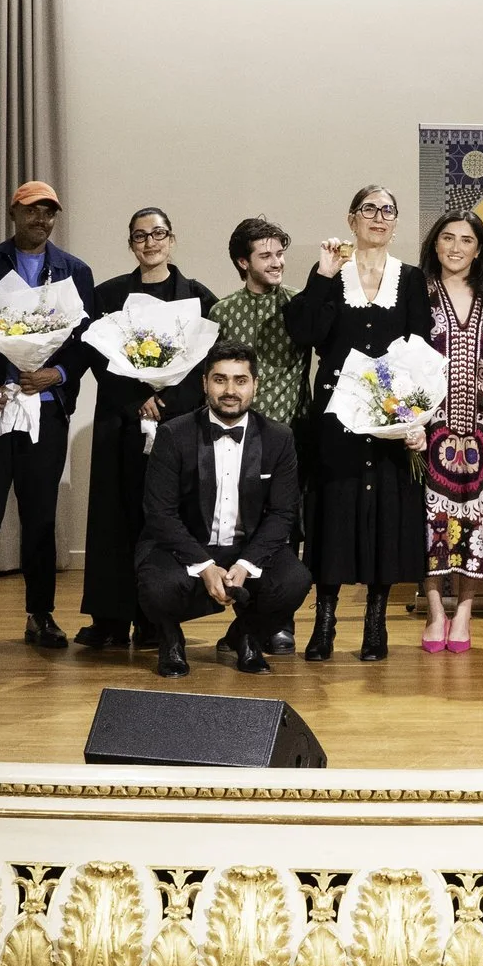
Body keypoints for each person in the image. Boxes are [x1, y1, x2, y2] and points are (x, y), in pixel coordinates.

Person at [0, 180, 97, 652]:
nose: (41, 220)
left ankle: (41, 614)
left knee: (40, 517)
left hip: (46, 413)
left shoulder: (75, 271)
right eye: (32, 211)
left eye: (49, 213)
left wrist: (59, 374)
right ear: (14, 212)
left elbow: (88, 341)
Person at [284, 183, 432, 661]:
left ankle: (375, 624)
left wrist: (417, 416)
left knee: (385, 515)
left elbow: (420, 352)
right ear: (351, 219)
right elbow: (306, 333)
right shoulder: (330, 272)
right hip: (335, 417)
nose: (379, 217)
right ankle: (323, 624)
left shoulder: (410, 279)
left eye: (388, 210)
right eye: (369, 208)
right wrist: (323, 276)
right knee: (332, 512)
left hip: (391, 416)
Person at [76, 207, 218, 651]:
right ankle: (111, 619)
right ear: (131, 244)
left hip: (175, 426)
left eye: (158, 234)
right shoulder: (107, 295)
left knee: (164, 519)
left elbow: (206, 362)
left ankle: (159, 618)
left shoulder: (199, 297)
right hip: (120, 422)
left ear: (172, 240)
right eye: (140, 236)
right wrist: (136, 399)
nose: (150, 242)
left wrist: (168, 401)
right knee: (114, 518)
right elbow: (98, 355)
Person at [135, 343, 310, 678]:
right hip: (188, 544)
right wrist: (204, 566)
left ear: (255, 385)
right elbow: (160, 514)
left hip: (247, 546)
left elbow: (282, 514)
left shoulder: (279, 437)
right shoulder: (174, 434)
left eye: (240, 381)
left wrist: (246, 564)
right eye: (220, 380)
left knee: (294, 580)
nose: (230, 391)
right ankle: (171, 640)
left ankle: (247, 636)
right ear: (204, 383)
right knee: (156, 583)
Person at [213, 217, 313, 653]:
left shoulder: (297, 304)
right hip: (239, 439)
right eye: (266, 255)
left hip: (289, 437)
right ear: (243, 261)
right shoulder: (221, 311)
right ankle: (248, 621)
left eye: (280, 253)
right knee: (243, 530)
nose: (277, 262)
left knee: (285, 532)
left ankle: (277, 623)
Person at [416, 209, 483, 652]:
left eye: (466, 240)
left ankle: (466, 612)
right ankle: (435, 609)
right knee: (432, 521)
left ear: (480, 249)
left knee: (479, 521)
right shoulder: (416, 295)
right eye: (447, 238)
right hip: (428, 429)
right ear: (435, 244)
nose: (456, 247)